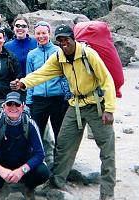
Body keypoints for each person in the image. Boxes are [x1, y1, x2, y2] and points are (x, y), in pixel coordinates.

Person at [10, 24, 117, 200]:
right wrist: (23, 83)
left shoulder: (88, 54)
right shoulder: (59, 56)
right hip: (75, 105)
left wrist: (110, 109)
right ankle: (56, 183)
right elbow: (43, 73)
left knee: (107, 150)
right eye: (60, 40)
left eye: (66, 39)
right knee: (63, 145)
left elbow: (107, 81)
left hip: (97, 106)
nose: (63, 43)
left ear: (73, 38)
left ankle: (107, 194)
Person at [0, 92, 50, 200]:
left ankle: (27, 187)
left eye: (17, 104)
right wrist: (1, 170)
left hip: (24, 162)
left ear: (23, 106)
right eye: (9, 104)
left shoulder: (30, 124)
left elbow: (40, 154)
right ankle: (1, 186)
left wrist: (21, 171)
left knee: (43, 171)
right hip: (3, 161)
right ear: (4, 106)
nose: (13, 107)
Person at [25, 21, 70, 167]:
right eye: (38, 33)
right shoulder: (32, 55)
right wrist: (29, 100)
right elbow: (30, 77)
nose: (41, 36)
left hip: (57, 99)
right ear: (34, 34)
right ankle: (37, 165)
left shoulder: (59, 51)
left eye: (44, 33)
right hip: (38, 100)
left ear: (49, 33)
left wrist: (66, 96)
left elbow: (65, 75)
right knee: (36, 134)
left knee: (60, 134)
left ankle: (59, 166)